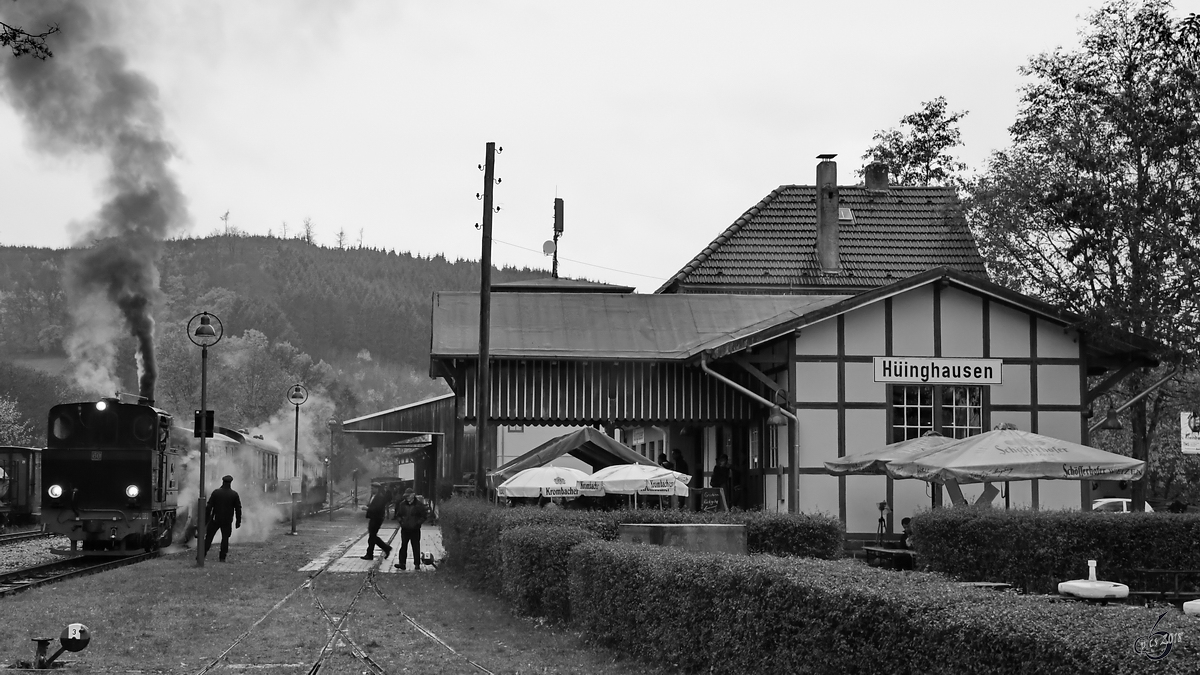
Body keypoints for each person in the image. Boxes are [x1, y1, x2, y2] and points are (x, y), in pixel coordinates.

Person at [204, 475, 242, 562]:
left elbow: (209, 507)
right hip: (227, 520)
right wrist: (238, 521)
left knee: (209, 538)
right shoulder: (234, 494)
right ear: (230, 483)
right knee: (225, 539)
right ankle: (222, 557)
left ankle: (202, 554)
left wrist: (206, 520)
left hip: (215, 519)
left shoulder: (216, 493)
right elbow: (238, 509)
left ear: (223, 482)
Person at [393, 488, 429, 570]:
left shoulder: (419, 505)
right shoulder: (402, 504)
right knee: (403, 546)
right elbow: (398, 515)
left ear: (413, 495)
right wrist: (401, 522)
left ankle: (417, 564)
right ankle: (402, 563)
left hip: (415, 530)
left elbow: (424, 516)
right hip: (405, 529)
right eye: (406, 496)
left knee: (415, 546)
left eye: (408, 496)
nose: (407, 497)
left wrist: (417, 523)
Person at [361, 484, 392, 560]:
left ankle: (385, 548)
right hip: (373, 518)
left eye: (373, 488)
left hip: (377, 518)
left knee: (372, 536)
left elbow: (377, 509)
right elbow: (372, 506)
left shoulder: (379, 497)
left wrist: (367, 509)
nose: (371, 489)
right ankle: (370, 553)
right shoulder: (373, 496)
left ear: (377, 489)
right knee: (372, 536)